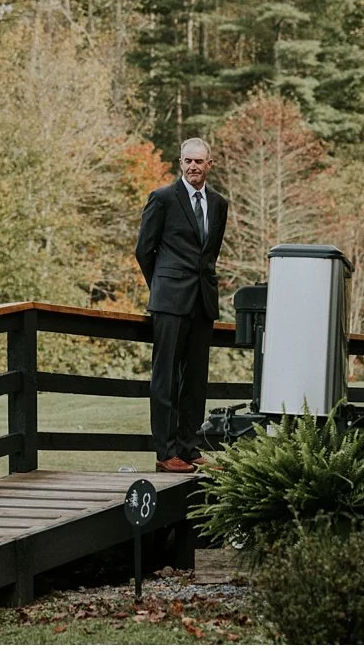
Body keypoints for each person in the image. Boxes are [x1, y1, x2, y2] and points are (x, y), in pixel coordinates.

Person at [133, 137, 228, 474]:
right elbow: (144, 250)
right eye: (187, 161)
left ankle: (189, 446)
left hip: (203, 301)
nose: (193, 167)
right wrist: (162, 287)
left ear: (209, 165)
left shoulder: (219, 204)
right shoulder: (162, 198)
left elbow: (210, 253)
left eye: (199, 161)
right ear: (180, 163)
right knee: (166, 379)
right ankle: (166, 451)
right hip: (170, 302)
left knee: (196, 380)